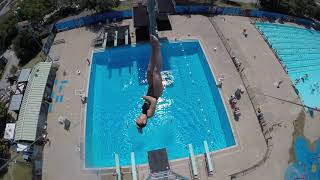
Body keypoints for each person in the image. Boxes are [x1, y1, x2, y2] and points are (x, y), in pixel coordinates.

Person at [136, 35, 163, 132]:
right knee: (156, 71)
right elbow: (153, 101)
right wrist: (144, 97)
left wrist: (140, 129)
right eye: (138, 119)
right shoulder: (149, 114)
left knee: (149, 70)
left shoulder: (143, 113)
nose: (137, 118)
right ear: (143, 121)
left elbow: (139, 126)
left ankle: (153, 47)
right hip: (156, 92)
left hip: (151, 88)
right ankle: (158, 46)